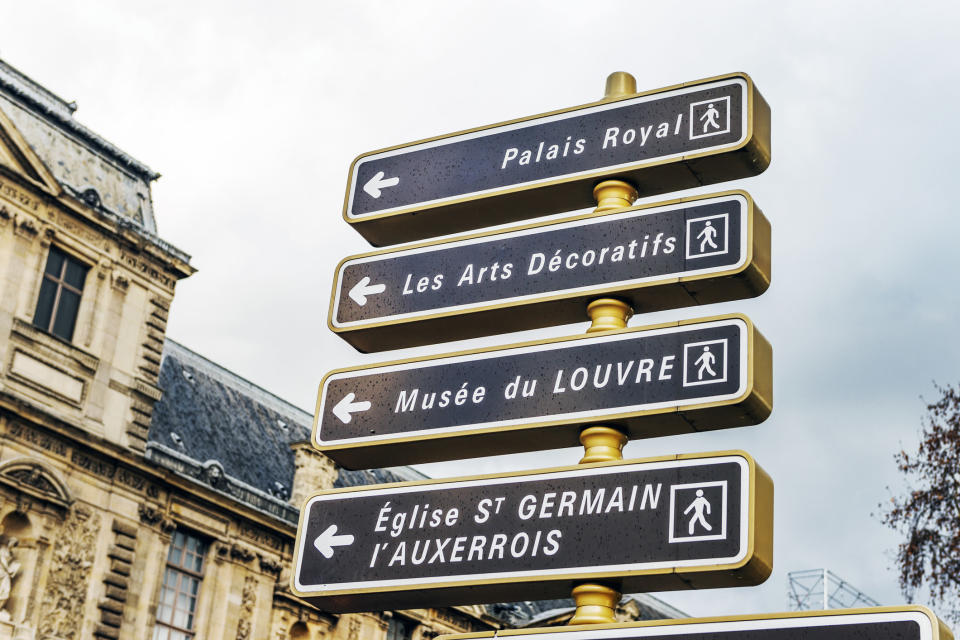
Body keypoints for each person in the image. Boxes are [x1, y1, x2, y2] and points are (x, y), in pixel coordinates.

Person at [0, 537, 20, 621]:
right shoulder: (2, 550)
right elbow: (1, 560)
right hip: (1, 571)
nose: (12, 545)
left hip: (6, 574)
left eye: (14, 544)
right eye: (12, 542)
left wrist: (13, 568)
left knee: (6, 593)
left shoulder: (11, 553)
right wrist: (8, 568)